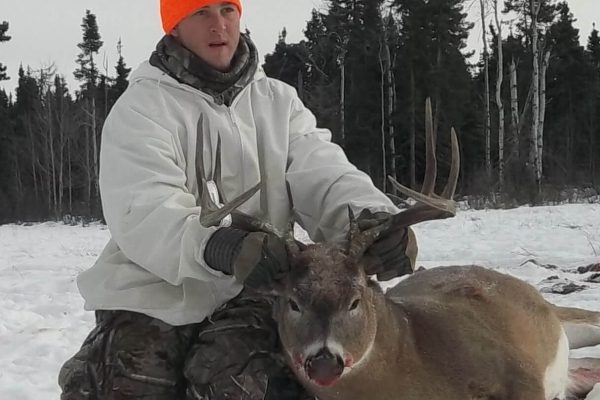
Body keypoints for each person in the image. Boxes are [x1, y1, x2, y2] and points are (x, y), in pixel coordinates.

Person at [58, 1, 416, 399]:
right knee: (124, 385)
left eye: (228, 9)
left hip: (260, 286)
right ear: (174, 26)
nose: (219, 25)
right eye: (201, 12)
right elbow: (142, 208)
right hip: (152, 291)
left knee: (236, 381)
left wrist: (376, 220)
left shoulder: (278, 103)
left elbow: (323, 172)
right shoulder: (142, 109)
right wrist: (216, 246)